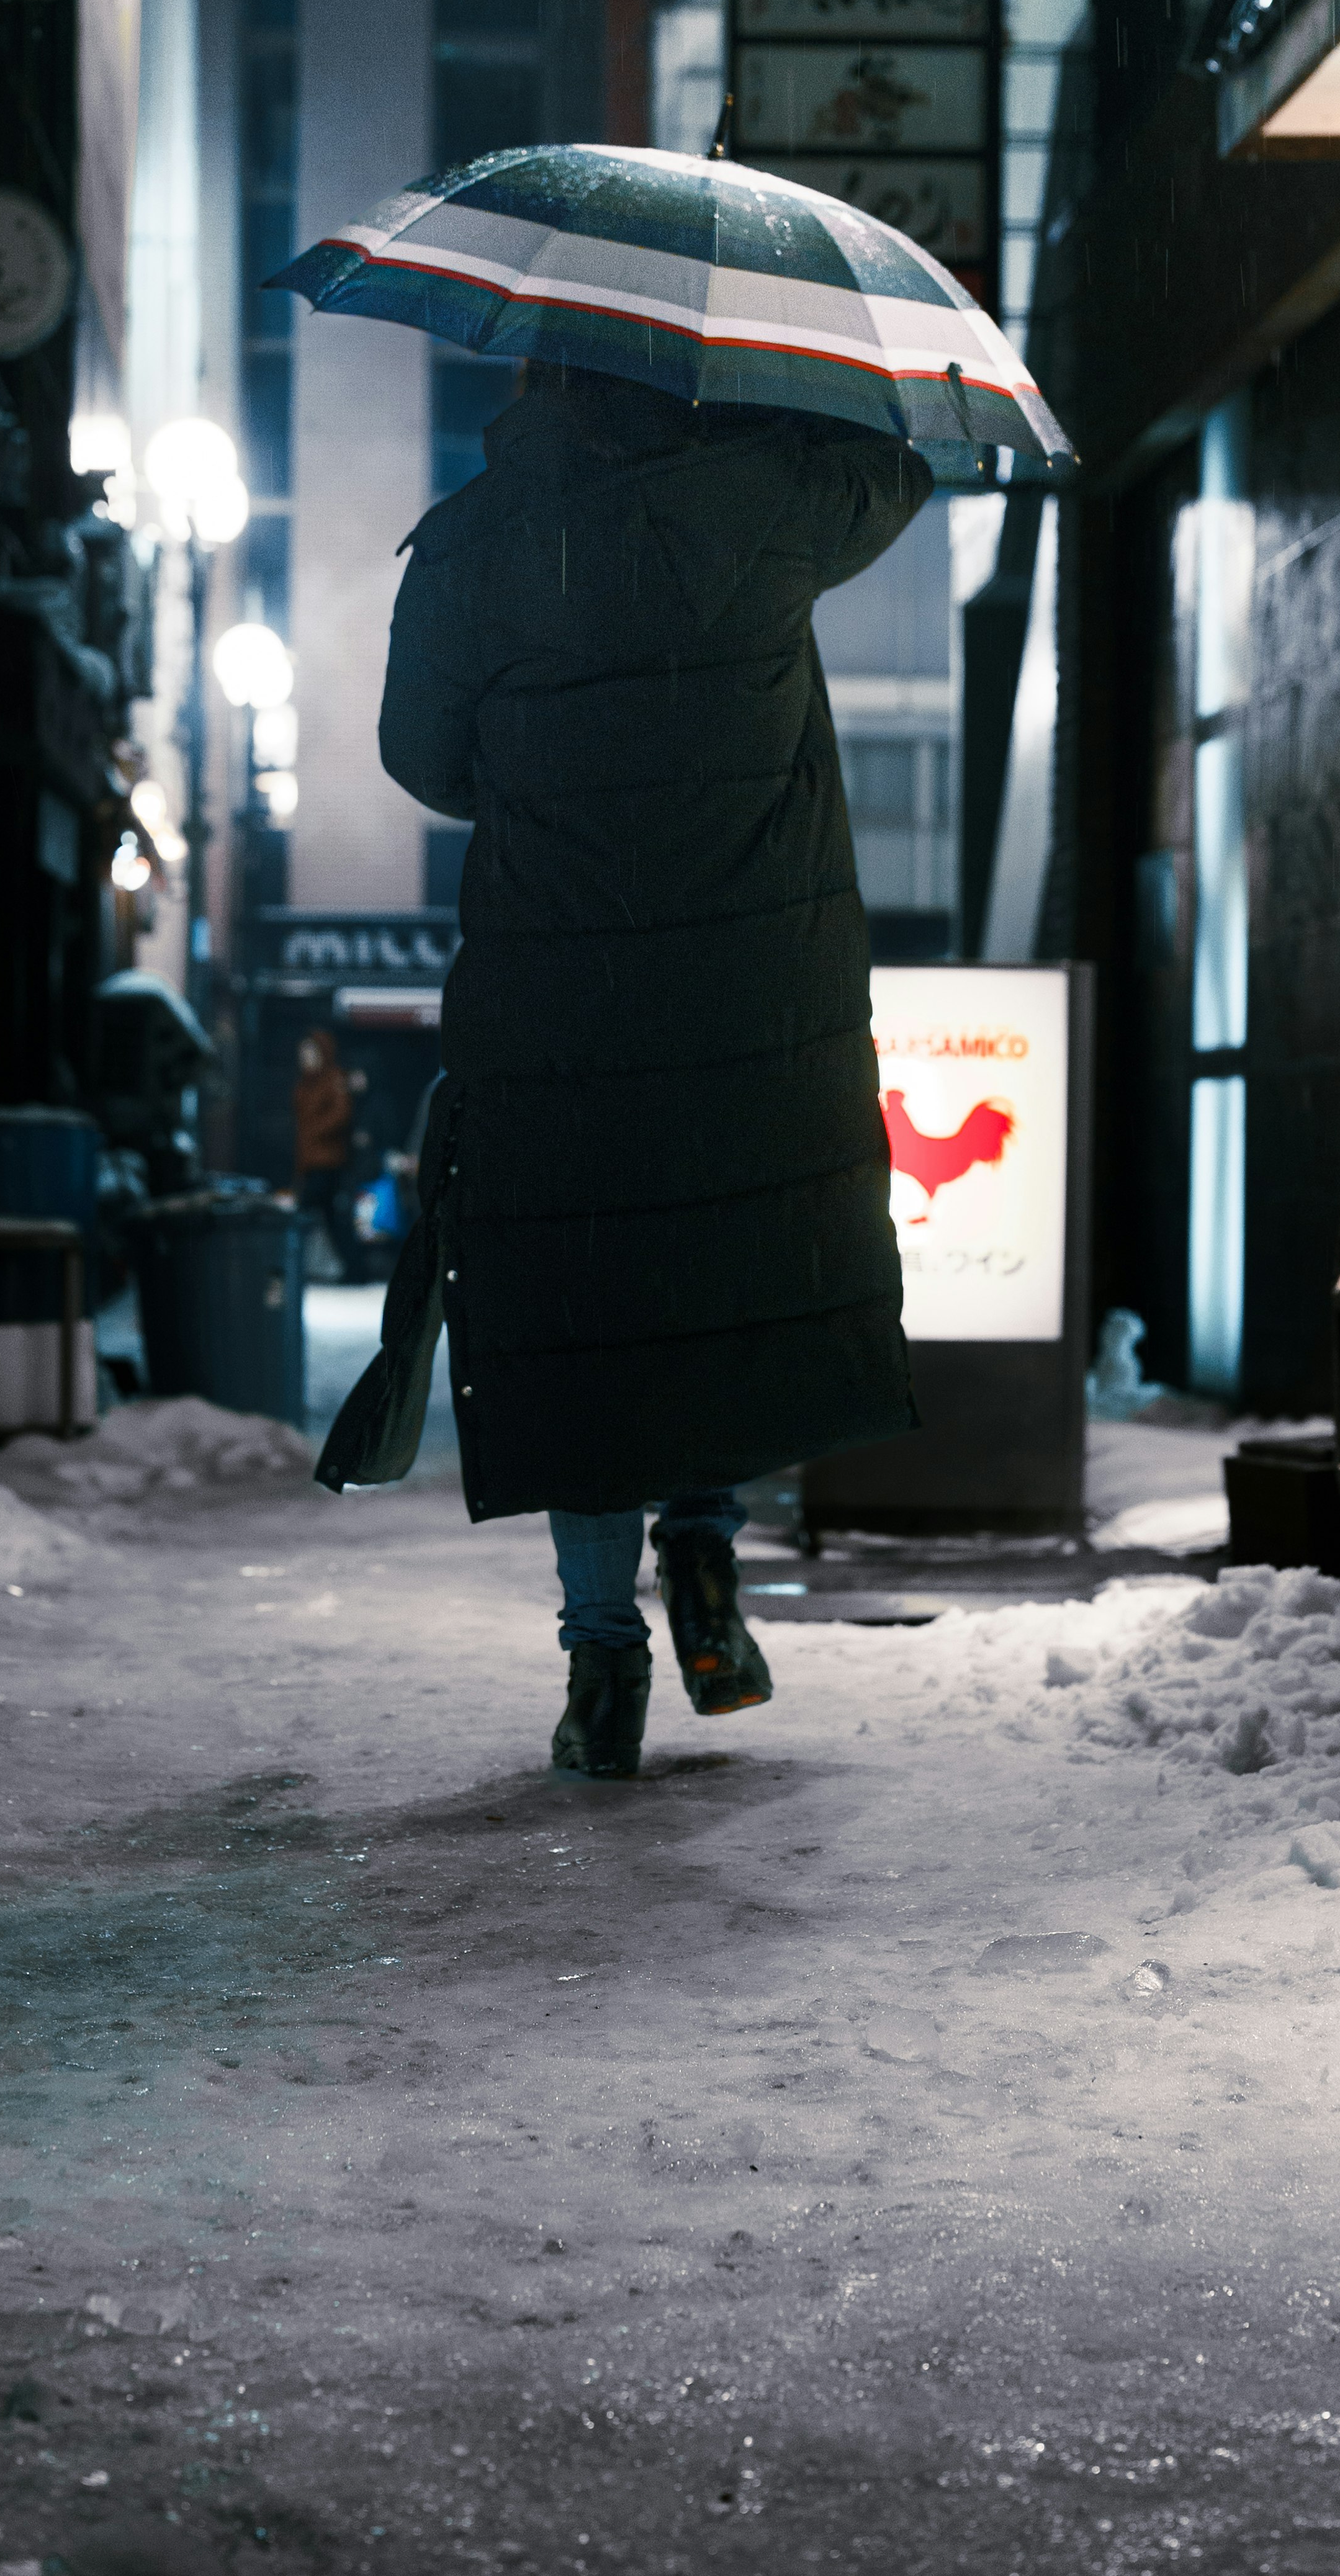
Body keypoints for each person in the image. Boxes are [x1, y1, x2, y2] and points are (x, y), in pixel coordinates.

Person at [367, 361, 929, 1777]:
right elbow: (898, 465)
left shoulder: (475, 537)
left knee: (580, 1301)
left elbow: (419, 756)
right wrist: (767, 404)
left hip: (555, 984)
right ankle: (707, 1556)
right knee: (718, 1265)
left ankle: (597, 1653)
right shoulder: (766, 494)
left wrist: (550, 750)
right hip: (749, 987)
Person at [290, 1026, 364, 1280]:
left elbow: (341, 1115)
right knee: (330, 1220)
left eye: (310, 1052)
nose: (305, 1058)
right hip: (312, 1162)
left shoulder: (333, 1079)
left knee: (319, 1218)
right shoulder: (306, 1084)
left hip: (329, 1163)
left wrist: (316, 1132)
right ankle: (353, 1270)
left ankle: (292, 1266)